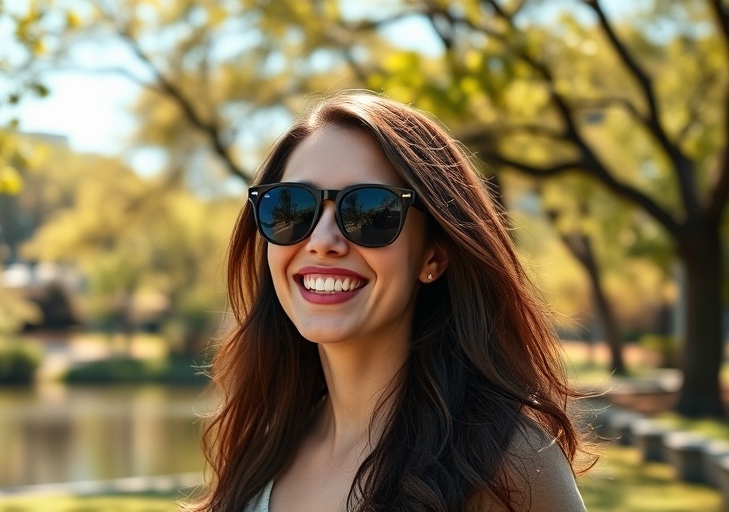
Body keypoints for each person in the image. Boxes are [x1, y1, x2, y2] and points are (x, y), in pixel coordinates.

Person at [186, 91, 590, 511]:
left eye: (369, 211)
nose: (322, 242)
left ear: (433, 254)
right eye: (293, 208)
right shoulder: (262, 450)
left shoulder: (506, 461)